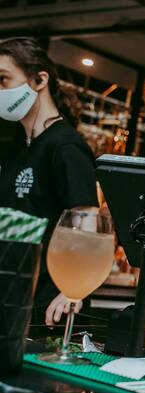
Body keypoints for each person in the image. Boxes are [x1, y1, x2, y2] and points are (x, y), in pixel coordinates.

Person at [0, 37, 99, 326]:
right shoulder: (18, 144)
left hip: (48, 310)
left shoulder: (65, 147)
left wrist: (72, 291)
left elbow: (87, 220)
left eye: (3, 80)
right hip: (11, 301)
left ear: (39, 80)